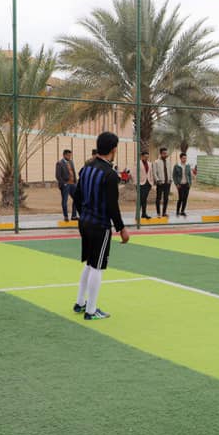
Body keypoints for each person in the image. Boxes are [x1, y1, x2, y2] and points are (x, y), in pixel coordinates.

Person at [72, 132, 129, 321]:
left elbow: (77, 196)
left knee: (90, 263)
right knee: (97, 267)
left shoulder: (86, 168)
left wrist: (84, 214)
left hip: (84, 222)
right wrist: (122, 228)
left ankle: (80, 303)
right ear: (114, 149)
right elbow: (112, 206)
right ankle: (91, 310)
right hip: (100, 225)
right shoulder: (110, 175)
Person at [55, 149, 78, 222]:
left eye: (70, 155)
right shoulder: (59, 163)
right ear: (64, 155)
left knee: (77, 199)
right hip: (66, 185)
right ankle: (66, 216)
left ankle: (74, 216)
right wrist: (64, 184)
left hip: (73, 184)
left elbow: (73, 172)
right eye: (68, 155)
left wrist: (75, 182)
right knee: (65, 201)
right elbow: (58, 176)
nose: (69, 157)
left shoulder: (71, 162)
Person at [172, 152, 194, 217]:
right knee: (180, 198)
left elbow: (189, 175)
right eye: (183, 158)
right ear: (180, 158)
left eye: (185, 158)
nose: (185, 159)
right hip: (180, 185)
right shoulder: (177, 166)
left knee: (185, 199)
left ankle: (182, 211)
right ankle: (177, 211)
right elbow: (174, 176)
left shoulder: (188, 165)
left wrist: (190, 183)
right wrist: (177, 184)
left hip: (187, 185)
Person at [152, 147, 171, 218]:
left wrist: (170, 179)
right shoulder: (156, 162)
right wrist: (157, 180)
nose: (165, 154)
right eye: (164, 153)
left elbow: (170, 171)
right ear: (160, 153)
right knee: (158, 198)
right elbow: (154, 173)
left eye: (166, 153)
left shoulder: (168, 162)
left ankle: (164, 213)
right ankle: (158, 213)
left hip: (167, 183)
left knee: (166, 198)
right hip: (160, 183)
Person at [138, 150, 153, 220]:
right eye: (145, 157)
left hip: (148, 184)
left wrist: (151, 182)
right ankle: (139, 213)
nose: (146, 158)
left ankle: (144, 214)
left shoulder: (150, 164)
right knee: (141, 199)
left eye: (147, 157)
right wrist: (136, 183)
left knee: (144, 199)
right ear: (142, 156)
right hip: (140, 184)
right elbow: (134, 173)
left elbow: (151, 173)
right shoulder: (138, 163)